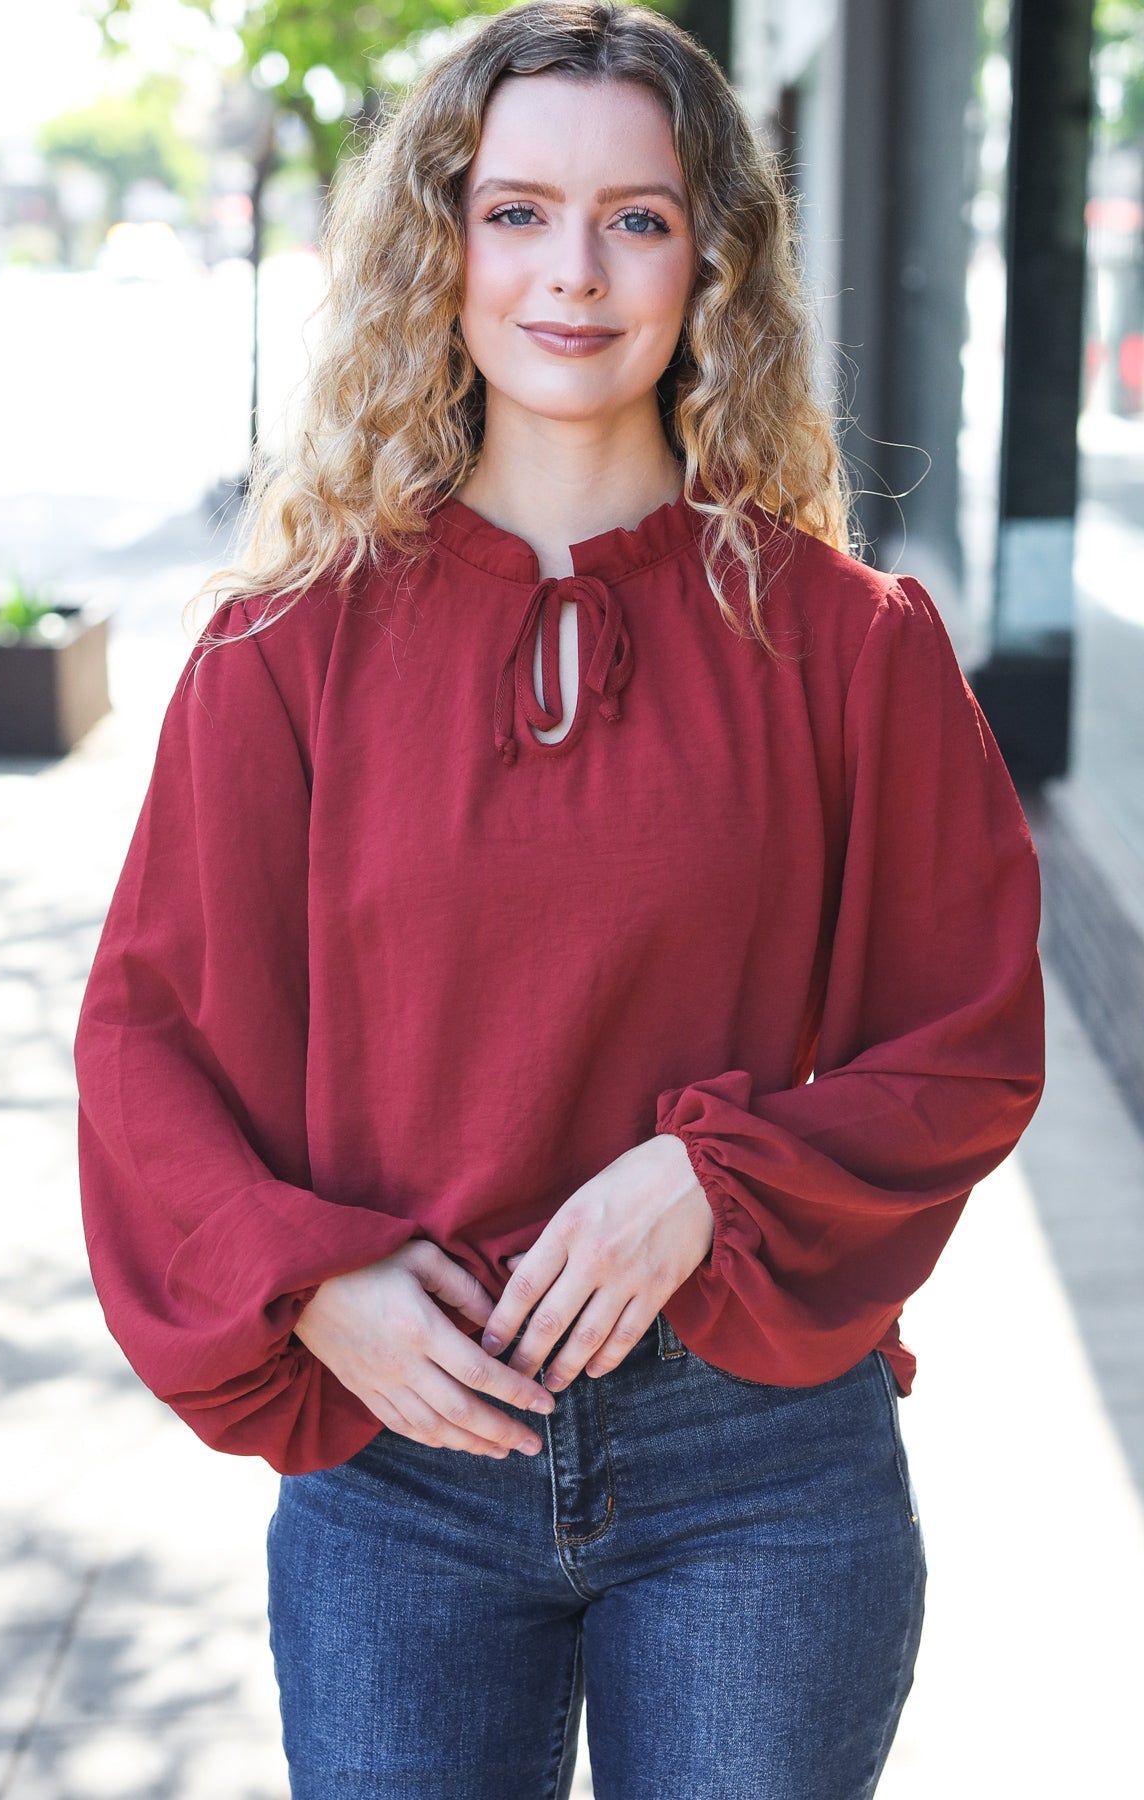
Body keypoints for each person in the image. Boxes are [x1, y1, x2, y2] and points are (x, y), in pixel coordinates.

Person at [73, 3, 1047, 1795]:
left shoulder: (850, 649)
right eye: (516, 211)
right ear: (438, 244)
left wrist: (712, 1176)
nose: (573, 274)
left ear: (713, 259)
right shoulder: (284, 656)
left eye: (638, 217)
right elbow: (148, 1049)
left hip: (757, 1459)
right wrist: (313, 1286)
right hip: (401, 1472)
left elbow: (969, 1041)